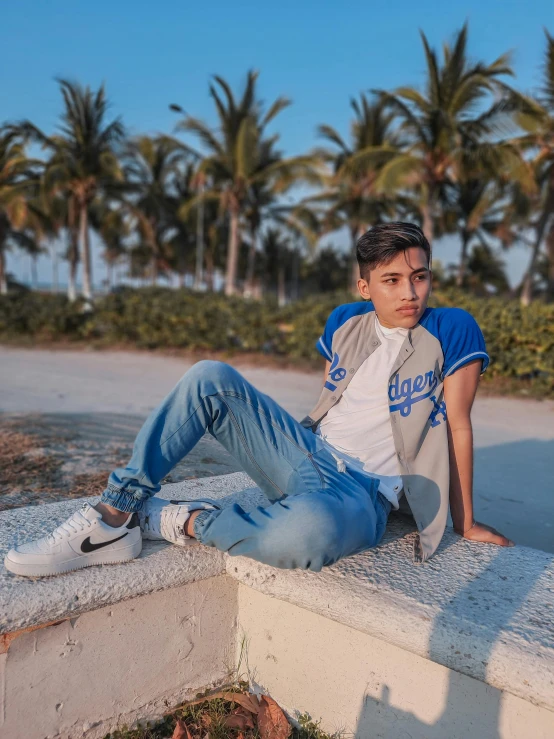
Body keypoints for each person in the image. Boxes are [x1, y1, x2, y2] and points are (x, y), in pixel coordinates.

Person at [4, 222, 513, 578]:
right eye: (393, 280)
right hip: (307, 455)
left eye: (420, 276)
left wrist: (463, 522)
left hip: (362, 495)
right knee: (210, 376)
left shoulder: (452, 329)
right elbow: (332, 402)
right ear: (365, 286)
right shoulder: (344, 322)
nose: (411, 292)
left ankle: (177, 519)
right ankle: (114, 515)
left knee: (307, 535)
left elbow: (458, 426)